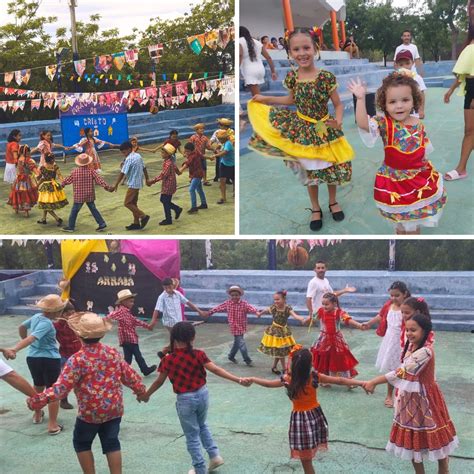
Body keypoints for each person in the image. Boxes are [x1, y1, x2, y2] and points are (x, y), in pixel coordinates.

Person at [248, 28, 355, 232]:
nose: (302, 53)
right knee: (310, 172)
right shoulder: (291, 77)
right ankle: (315, 208)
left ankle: (333, 202)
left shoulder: (326, 77)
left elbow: (338, 105)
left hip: (325, 130)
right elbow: (290, 100)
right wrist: (265, 98)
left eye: (306, 47)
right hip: (303, 130)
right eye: (296, 49)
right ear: (290, 53)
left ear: (315, 49)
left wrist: (338, 121)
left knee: (330, 168)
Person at [26, 312, 147, 474]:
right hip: (113, 409)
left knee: (82, 443)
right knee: (112, 443)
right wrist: (140, 391)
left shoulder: (77, 359)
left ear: (78, 334)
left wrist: (39, 400)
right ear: (102, 334)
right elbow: (129, 375)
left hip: (90, 413)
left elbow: (61, 388)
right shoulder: (112, 353)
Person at [138, 322, 250, 474]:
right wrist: (238, 379)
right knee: (202, 425)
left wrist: (146, 395)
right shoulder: (198, 354)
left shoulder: (168, 359)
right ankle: (214, 455)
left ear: (173, 337)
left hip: (185, 399)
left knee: (191, 436)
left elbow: (159, 381)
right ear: (193, 337)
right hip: (202, 394)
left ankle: (199, 469)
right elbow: (216, 369)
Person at [349, 73, 447, 234]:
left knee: (414, 226)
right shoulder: (384, 123)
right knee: (399, 224)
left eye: (405, 100)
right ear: (384, 104)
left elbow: (423, 150)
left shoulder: (418, 124)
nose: (399, 106)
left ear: (414, 100)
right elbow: (363, 124)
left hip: (418, 181)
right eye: (392, 102)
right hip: (394, 182)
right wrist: (360, 99)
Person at [363, 313, 458, 473]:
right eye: (407, 330)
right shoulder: (411, 345)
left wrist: (373, 381)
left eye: (413, 330)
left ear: (425, 331)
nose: (409, 333)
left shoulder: (425, 352)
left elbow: (400, 372)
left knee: (437, 436)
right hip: (409, 401)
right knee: (413, 441)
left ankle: (443, 468)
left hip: (426, 400)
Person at [250, 347, 367, 474]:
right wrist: (363, 383)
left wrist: (253, 379)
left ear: (293, 364)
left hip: (300, 422)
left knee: (306, 461)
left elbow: (268, 384)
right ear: (310, 365)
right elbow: (340, 380)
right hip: (315, 417)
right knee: (308, 457)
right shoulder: (314, 377)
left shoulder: (288, 379)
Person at [4, 294, 67, 434]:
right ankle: (52, 425)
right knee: (52, 390)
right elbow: (32, 338)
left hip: (33, 357)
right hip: (49, 359)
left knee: (38, 386)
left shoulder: (36, 317)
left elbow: (22, 327)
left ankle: (37, 415)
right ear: (57, 311)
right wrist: (15, 348)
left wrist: (24, 339)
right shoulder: (47, 323)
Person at [363, 281, 410, 408]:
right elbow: (380, 316)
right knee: (392, 368)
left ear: (405, 294)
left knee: (405, 369)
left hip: (403, 341)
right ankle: (389, 395)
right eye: (392, 295)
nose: (394, 298)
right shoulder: (389, 305)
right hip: (390, 341)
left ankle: (404, 394)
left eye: (397, 295)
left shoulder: (408, 307)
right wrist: (369, 323)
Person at [305, 293, 364, 386]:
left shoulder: (338, 312)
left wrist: (359, 325)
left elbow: (347, 319)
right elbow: (313, 318)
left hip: (336, 340)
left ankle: (348, 381)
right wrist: (305, 319)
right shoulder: (321, 311)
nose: (324, 306)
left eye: (326, 304)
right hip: (323, 339)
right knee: (324, 358)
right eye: (323, 304)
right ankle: (324, 379)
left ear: (334, 304)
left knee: (340, 358)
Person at [443, 22, 474, 181]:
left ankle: (461, 168)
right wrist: (451, 89)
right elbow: (465, 72)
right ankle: (462, 168)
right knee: (469, 130)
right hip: (470, 88)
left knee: (470, 131)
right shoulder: (470, 41)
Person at [105, 289, 157, 376]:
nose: (132, 304)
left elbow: (135, 321)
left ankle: (122, 373)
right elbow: (111, 315)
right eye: (130, 302)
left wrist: (147, 326)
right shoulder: (121, 311)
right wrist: (103, 320)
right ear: (123, 302)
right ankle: (145, 370)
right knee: (138, 356)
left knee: (128, 359)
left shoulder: (126, 312)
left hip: (127, 339)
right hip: (130, 339)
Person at [203, 285, 258, 366]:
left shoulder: (244, 303)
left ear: (240, 295)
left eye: (236, 295)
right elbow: (218, 308)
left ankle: (231, 356)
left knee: (237, 343)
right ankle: (247, 360)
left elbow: (251, 308)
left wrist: (257, 312)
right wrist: (209, 312)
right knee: (241, 343)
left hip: (241, 326)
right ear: (230, 295)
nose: (235, 297)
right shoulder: (228, 303)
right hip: (234, 327)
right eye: (232, 295)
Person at [61, 153, 113, 232]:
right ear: (88, 163)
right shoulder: (91, 171)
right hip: (89, 195)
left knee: (74, 211)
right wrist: (107, 187)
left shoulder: (75, 172)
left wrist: (62, 185)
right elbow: (99, 180)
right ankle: (101, 223)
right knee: (93, 209)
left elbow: (67, 180)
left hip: (79, 196)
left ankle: (71, 227)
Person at [257, 290, 305, 374]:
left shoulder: (287, 308)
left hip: (284, 332)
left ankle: (274, 367)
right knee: (280, 351)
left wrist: (300, 318)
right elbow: (266, 310)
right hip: (274, 332)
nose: (276, 301)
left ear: (284, 299)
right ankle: (285, 369)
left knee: (280, 351)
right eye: (275, 300)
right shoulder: (274, 307)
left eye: (278, 299)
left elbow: (294, 315)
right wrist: (260, 314)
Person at [113, 141, 150, 231]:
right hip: (138, 182)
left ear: (129, 149)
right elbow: (144, 168)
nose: (123, 154)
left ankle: (143, 216)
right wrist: (147, 179)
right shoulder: (138, 156)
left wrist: (116, 184)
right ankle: (136, 223)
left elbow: (123, 173)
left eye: (124, 152)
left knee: (127, 203)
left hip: (133, 183)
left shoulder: (129, 159)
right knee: (133, 203)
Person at [52, 301, 81, 409]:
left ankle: (83, 399)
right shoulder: (57, 325)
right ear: (61, 314)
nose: (71, 316)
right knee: (65, 378)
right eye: (68, 314)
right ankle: (63, 400)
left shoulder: (76, 322)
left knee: (81, 378)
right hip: (65, 355)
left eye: (73, 313)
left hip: (78, 354)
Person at [146, 144, 183, 226]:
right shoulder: (170, 162)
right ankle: (176, 210)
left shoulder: (168, 163)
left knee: (165, 200)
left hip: (168, 184)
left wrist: (153, 181)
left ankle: (169, 218)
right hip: (170, 184)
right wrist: (179, 172)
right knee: (165, 200)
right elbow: (177, 170)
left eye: (163, 153)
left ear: (168, 154)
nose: (161, 154)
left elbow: (163, 175)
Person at [239, 26, 278, 96]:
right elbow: (268, 57)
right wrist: (273, 72)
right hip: (260, 69)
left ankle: (264, 106)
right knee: (255, 95)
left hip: (249, 70)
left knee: (257, 97)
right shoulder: (257, 42)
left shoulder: (240, 41)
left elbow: (240, 55)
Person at [36, 153, 68, 227]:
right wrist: (63, 182)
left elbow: (41, 178)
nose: (54, 160)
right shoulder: (55, 167)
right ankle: (43, 219)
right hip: (53, 187)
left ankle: (57, 218)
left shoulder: (42, 167)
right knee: (46, 203)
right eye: (53, 159)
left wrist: (37, 184)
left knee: (46, 204)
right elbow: (59, 175)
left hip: (46, 188)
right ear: (50, 160)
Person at [7, 144, 38, 216]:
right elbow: (34, 170)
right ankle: (26, 212)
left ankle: (16, 209)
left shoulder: (18, 159)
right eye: (28, 152)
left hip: (18, 180)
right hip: (26, 180)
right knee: (26, 194)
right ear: (26, 152)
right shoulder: (29, 160)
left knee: (17, 193)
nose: (29, 153)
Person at [394, 49, 426, 118]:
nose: (404, 66)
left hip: (414, 113)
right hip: (400, 113)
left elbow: (422, 94)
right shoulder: (394, 79)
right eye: (401, 64)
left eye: (407, 63)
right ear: (396, 66)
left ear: (412, 63)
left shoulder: (418, 78)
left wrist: (421, 109)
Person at [179, 142, 207, 214]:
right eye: (185, 151)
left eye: (187, 151)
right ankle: (204, 204)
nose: (186, 153)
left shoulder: (192, 156)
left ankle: (194, 207)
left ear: (191, 150)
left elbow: (187, 163)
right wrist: (210, 157)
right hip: (197, 173)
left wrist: (181, 170)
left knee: (191, 189)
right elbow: (202, 156)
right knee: (199, 189)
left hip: (197, 175)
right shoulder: (196, 152)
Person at [211, 130, 234, 204]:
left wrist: (216, 155)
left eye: (220, 139)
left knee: (234, 180)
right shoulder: (223, 144)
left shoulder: (228, 144)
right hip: (223, 164)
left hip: (231, 165)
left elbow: (224, 152)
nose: (219, 140)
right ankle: (223, 198)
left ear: (225, 138)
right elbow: (219, 150)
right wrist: (216, 149)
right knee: (222, 182)